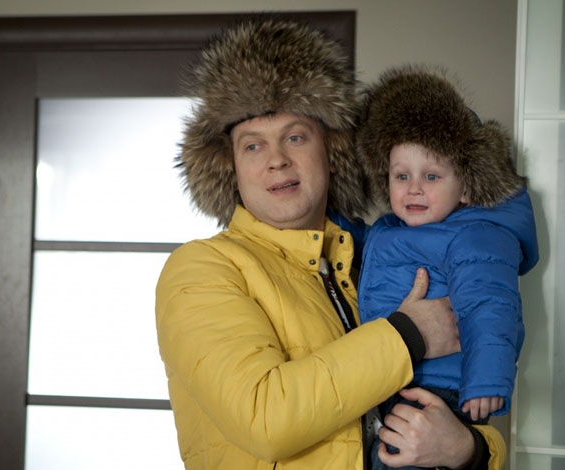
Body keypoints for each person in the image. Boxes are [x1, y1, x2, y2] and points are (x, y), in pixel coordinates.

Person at [155, 20, 506, 469]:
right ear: (232, 170)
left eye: (295, 137)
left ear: (331, 152)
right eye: (253, 146)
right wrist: (408, 334)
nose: (277, 159)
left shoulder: (373, 260)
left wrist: (468, 450)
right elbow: (265, 419)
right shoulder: (202, 269)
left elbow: (462, 395)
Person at [336, 65, 539, 469]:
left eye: (431, 176)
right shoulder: (393, 229)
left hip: (439, 388)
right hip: (395, 376)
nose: (414, 187)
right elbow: (367, 247)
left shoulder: (475, 236)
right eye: (401, 175)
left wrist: (487, 380)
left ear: (465, 187)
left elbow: (490, 306)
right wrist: (330, 222)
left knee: (404, 459)